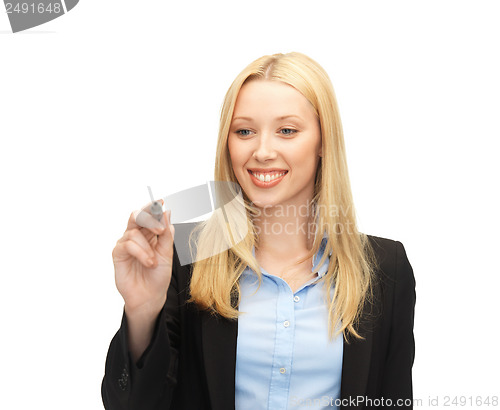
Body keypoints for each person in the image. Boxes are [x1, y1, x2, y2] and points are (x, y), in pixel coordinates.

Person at [101, 52, 416, 410]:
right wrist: (142, 312)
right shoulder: (183, 256)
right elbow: (130, 405)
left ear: (323, 142)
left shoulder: (385, 268)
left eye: (287, 131)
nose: (262, 151)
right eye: (245, 131)